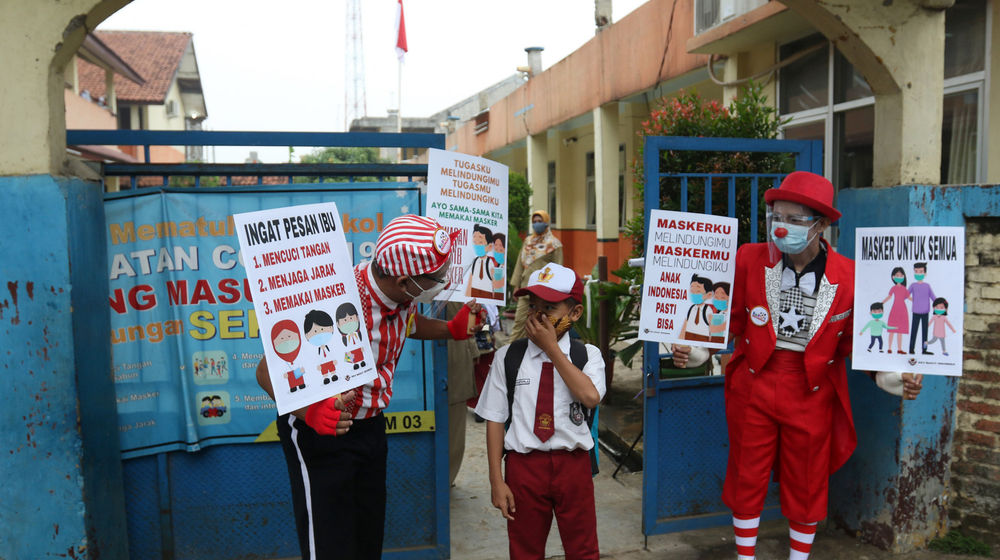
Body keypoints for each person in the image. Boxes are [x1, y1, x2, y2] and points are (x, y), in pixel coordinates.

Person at [671, 171, 924, 560]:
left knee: (807, 481)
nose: (781, 227)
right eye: (777, 217)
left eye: (793, 219)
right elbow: (728, 321)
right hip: (754, 383)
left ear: (820, 225)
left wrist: (891, 374)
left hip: (812, 389)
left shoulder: (850, 275)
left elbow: (860, 342)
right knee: (747, 475)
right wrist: (697, 349)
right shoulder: (749, 259)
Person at [255, 214, 483, 560]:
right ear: (405, 281)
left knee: (367, 538)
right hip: (321, 431)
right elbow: (265, 372)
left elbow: (407, 323)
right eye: (437, 278)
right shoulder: (334, 299)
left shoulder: (400, 294)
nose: (443, 281)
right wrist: (310, 412)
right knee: (330, 546)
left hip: (371, 426)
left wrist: (450, 329)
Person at [474, 263, 605, 560]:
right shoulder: (508, 357)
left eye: (550, 308)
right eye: (533, 306)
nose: (539, 316)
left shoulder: (587, 356)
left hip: (573, 465)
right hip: (524, 467)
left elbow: (589, 397)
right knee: (525, 550)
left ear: (575, 313)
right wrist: (496, 480)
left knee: (583, 549)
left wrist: (552, 349)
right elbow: (495, 419)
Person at [510, 210, 563, 339]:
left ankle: (539, 347)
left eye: (540, 221)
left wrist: (555, 291)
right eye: (534, 222)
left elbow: (558, 268)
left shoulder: (555, 244)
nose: (536, 224)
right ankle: (512, 348)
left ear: (546, 223)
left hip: (543, 291)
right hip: (525, 288)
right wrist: (516, 285)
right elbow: (519, 264)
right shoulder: (528, 241)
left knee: (540, 323)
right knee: (519, 322)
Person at [908, 262, 936, 355]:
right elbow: (906, 295)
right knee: (914, 331)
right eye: (916, 272)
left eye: (921, 272)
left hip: (925, 312)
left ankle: (924, 350)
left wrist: (940, 303)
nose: (918, 274)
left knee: (925, 332)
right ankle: (911, 349)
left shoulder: (927, 286)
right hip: (916, 312)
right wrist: (913, 300)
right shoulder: (913, 285)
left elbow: (933, 297)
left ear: (925, 273)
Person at [881, 267, 910, 354]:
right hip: (895, 309)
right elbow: (889, 297)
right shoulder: (893, 288)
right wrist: (882, 303)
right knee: (892, 330)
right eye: (897, 275)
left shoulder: (904, 289)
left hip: (903, 309)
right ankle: (889, 348)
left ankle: (899, 349)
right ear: (893, 277)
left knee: (900, 331)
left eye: (901, 275)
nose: (899, 277)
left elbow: (909, 297)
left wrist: (918, 301)